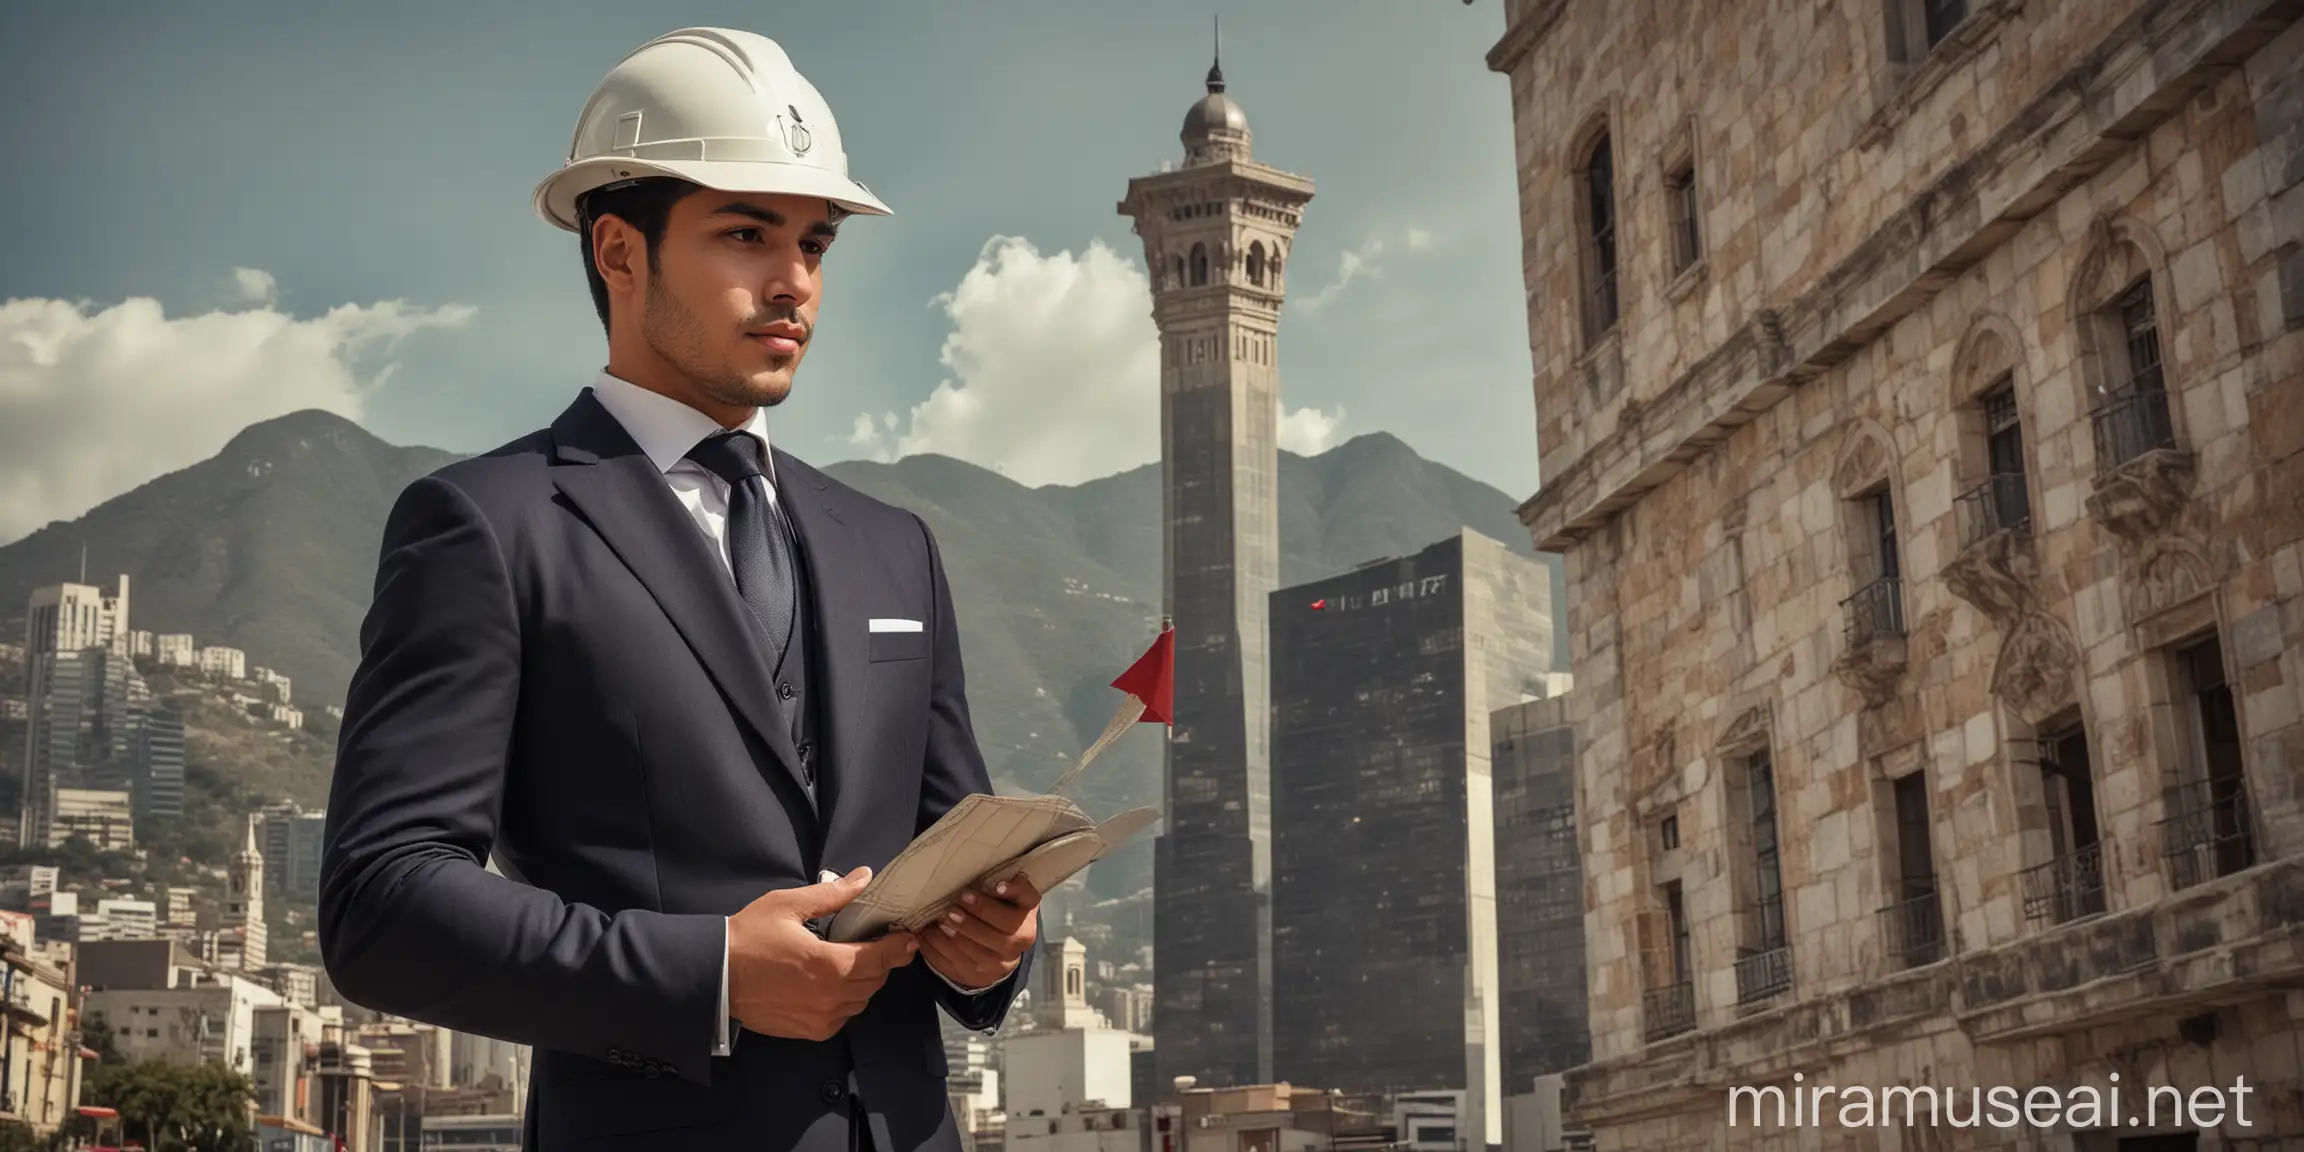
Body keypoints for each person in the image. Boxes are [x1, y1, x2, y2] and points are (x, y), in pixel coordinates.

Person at [317, 27, 1038, 1151]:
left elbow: (956, 844)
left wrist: (994, 947)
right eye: (746, 234)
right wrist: (704, 974)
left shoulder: (894, 545)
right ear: (618, 252)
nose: (794, 279)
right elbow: (382, 903)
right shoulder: (489, 526)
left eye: (815, 241)